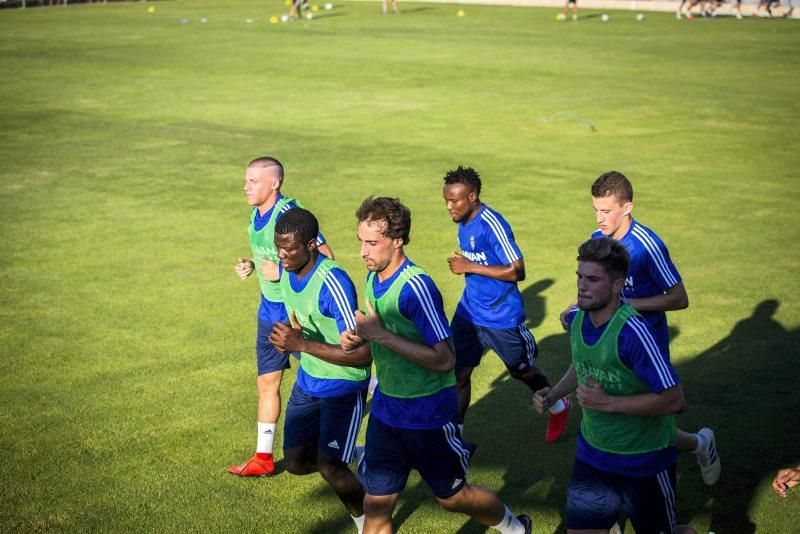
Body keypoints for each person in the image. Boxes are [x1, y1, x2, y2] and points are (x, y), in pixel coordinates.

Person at [342, 196, 532, 534]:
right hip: (387, 413)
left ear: (397, 240)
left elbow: (445, 360)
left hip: (427, 416)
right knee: (376, 506)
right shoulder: (374, 278)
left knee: (453, 499)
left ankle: (515, 528)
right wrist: (362, 337)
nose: (363, 251)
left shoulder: (416, 288)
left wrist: (380, 336)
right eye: (361, 242)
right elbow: (380, 335)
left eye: (372, 243)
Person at [558, 170, 721, 486]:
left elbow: (679, 298)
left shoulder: (648, 245)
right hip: (609, 344)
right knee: (614, 419)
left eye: (606, 211)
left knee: (647, 425)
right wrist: (573, 305)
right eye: (595, 209)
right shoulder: (598, 239)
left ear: (627, 207)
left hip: (644, 345)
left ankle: (701, 445)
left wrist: (634, 305)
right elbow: (596, 282)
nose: (600, 218)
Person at [536, 237, 693, 534]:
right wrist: (554, 394)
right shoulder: (577, 319)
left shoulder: (634, 333)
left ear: (618, 285)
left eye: (593, 279)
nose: (582, 286)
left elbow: (674, 401)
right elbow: (583, 364)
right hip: (593, 455)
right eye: (580, 277)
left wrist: (608, 403)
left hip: (644, 461)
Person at [442, 166, 570, 444]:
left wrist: (469, 266)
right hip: (469, 313)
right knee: (459, 373)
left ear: (472, 196)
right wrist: (470, 267)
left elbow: (516, 271)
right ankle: (455, 436)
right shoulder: (463, 223)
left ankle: (559, 404)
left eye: (455, 201)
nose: (449, 207)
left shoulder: (493, 224)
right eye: (446, 201)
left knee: (521, 371)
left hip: (501, 318)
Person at [229, 156, 333, 477]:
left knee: (326, 378)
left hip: (295, 314)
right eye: (246, 180)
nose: (246, 186)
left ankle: (344, 441)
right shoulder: (255, 214)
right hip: (269, 311)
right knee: (267, 382)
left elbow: (327, 258)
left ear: (274, 183)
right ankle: (263, 457)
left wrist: (282, 273)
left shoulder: (289, 215)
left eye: (253, 181)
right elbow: (270, 259)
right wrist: (252, 265)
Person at [269, 207, 371, 531]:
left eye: (289, 248)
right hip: (308, 382)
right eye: (278, 247)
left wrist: (300, 345)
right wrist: (286, 336)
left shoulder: (334, 284)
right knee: (297, 464)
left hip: (343, 385)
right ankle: (357, 452)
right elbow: (301, 322)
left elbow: (363, 356)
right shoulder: (289, 273)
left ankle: (369, 522)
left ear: (312, 244)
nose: (282, 255)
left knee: (331, 468)